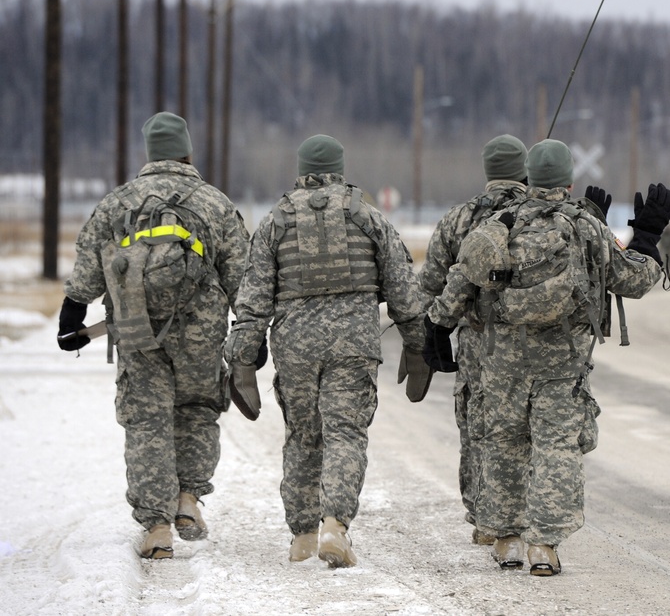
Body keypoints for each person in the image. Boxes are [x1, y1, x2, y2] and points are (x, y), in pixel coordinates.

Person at [423, 139, 670, 576]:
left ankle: (506, 540)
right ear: (568, 181)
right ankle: (544, 545)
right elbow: (633, 279)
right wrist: (648, 236)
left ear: (530, 177)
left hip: (502, 360)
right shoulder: (585, 226)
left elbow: (460, 281)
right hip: (562, 362)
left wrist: (437, 327)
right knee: (556, 445)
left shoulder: (495, 225)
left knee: (503, 443)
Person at [223, 134, 431, 568]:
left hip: (295, 344)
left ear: (301, 170)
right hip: (353, 340)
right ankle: (334, 526)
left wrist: (242, 358)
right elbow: (403, 288)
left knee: (303, 435)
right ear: (340, 166)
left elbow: (253, 299)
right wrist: (416, 342)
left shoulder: (275, 222)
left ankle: (301, 535)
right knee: (345, 433)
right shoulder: (367, 216)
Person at [58, 112, 252, 559]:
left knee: (147, 422)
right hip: (201, 330)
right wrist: (249, 333)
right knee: (198, 411)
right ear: (187, 151)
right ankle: (187, 499)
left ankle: (157, 527)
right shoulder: (215, 203)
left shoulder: (118, 202)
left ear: (149, 154)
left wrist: (73, 314)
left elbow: (90, 263)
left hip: (135, 327)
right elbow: (242, 277)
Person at [417, 134, 529, 546]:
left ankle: (485, 516)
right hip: (529, 340)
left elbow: (429, 284)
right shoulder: (537, 216)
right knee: (525, 426)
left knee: (478, 426)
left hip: (477, 342)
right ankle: (523, 513)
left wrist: (429, 331)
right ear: (524, 170)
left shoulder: (458, 219)